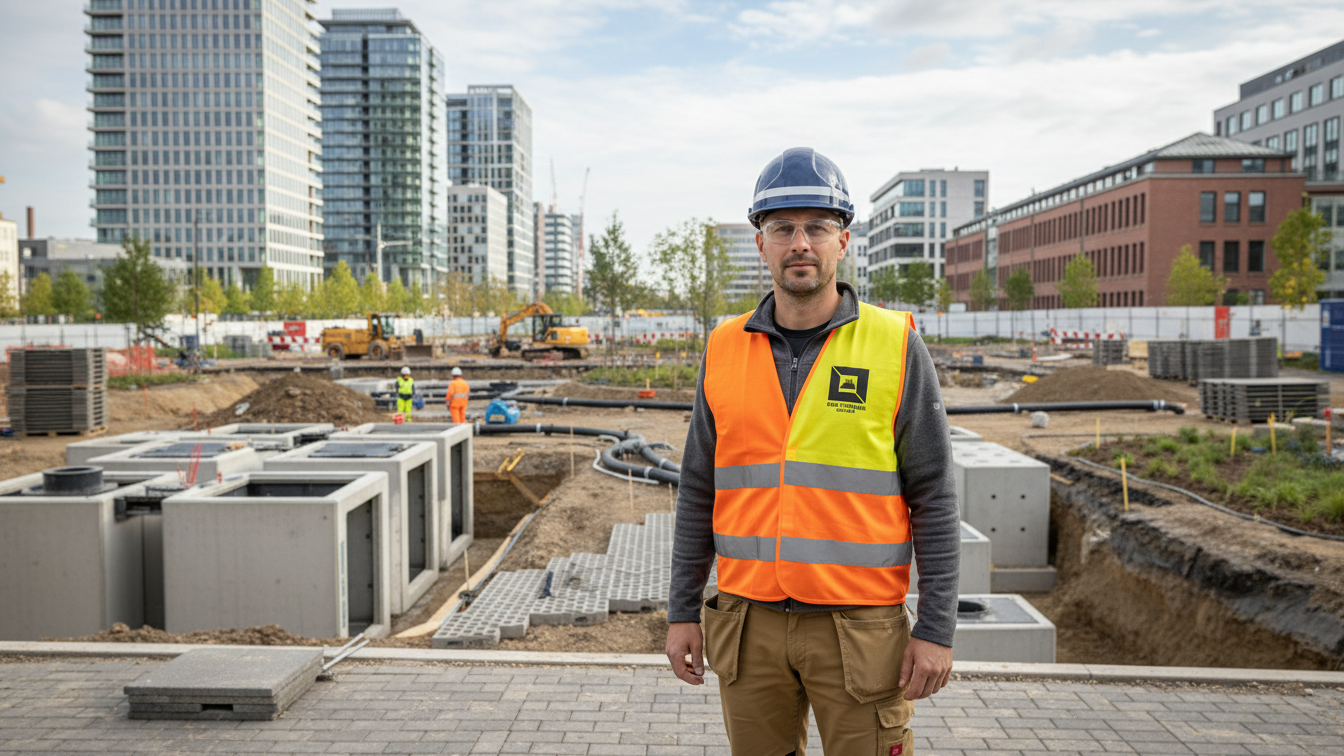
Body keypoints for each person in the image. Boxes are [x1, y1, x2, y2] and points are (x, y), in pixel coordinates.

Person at [665, 147, 961, 755]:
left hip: (861, 628)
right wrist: (681, 612)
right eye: (782, 228)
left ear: (842, 241)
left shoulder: (894, 345)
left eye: (817, 227)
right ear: (761, 244)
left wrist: (937, 628)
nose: (800, 243)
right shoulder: (723, 347)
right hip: (747, 624)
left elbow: (933, 493)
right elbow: (698, 489)